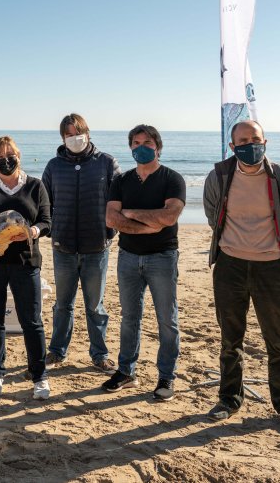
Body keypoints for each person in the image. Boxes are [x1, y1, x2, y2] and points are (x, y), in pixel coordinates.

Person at [203, 120, 280, 432]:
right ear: (233, 147)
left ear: (265, 141)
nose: (251, 145)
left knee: (278, 340)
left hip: (272, 269)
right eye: (243, 141)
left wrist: (270, 248)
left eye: (256, 139)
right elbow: (213, 216)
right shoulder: (220, 176)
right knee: (230, 339)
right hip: (229, 267)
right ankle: (229, 399)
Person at [102, 124, 185, 402]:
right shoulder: (121, 180)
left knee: (167, 321)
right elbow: (112, 219)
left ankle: (166, 377)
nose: (141, 147)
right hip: (127, 257)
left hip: (162, 257)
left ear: (158, 147)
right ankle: (126, 371)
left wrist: (132, 213)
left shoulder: (172, 179)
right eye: (135, 142)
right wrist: (149, 222)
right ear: (130, 147)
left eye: (147, 142)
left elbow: (170, 217)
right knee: (129, 318)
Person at [0, 136, 52, 400]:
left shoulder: (36, 186)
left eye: (10, 155)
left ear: (19, 154)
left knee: (32, 320)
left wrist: (34, 231)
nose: (6, 160)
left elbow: (47, 220)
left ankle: (39, 376)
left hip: (25, 262)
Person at [42, 113, 120, 374]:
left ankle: (100, 354)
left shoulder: (106, 163)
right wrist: (51, 230)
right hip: (62, 247)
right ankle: (56, 351)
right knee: (62, 304)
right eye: (68, 134)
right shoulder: (54, 166)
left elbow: (120, 200)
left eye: (78, 132)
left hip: (96, 247)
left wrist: (111, 232)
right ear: (63, 138)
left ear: (87, 132)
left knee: (95, 305)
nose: (74, 138)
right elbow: (44, 203)